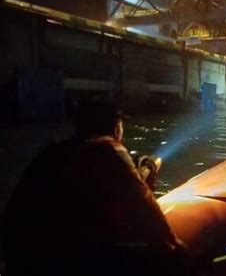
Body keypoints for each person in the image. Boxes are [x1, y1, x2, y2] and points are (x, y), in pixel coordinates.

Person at [3, 99, 189, 276]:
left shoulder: (52, 152)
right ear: (117, 127)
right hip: (63, 262)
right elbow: (144, 204)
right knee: (173, 260)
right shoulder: (108, 149)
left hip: (20, 259)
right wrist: (173, 245)